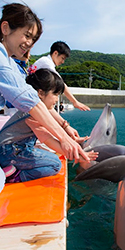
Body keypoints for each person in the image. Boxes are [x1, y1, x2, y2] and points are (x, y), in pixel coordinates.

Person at [0, 3, 91, 189]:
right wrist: (66, 140)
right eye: (26, 35)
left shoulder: (10, 62)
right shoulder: (2, 61)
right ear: (5, 28)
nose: (29, 43)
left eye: (33, 39)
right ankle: (12, 173)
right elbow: (34, 104)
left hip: (8, 143)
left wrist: (66, 130)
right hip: (8, 148)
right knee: (53, 164)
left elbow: (40, 105)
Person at [0, 69, 98, 183]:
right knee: (55, 165)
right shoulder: (33, 114)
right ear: (40, 93)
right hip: (9, 152)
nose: (57, 99)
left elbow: (51, 115)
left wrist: (68, 134)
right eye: (55, 94)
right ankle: (16, 176)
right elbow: (48, 140)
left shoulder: (32, 108)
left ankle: (11, 167)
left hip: (10, 149)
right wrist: (77, 156)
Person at [33, 41, 90, 111]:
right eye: (62, 58)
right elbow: (61, 84)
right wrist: (75, 102)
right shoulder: (47, 62)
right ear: (55, 53)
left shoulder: (45, 61)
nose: (63, 62)